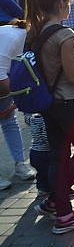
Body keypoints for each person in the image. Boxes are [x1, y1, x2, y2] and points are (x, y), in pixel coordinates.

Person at [25, 0, 74, 234]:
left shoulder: (37, 31)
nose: (70, 7)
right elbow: (73, 74)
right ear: (60, 4)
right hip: (68, 103)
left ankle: (58, 205)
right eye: (68, 3)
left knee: (59, 154)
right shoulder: (64, 35)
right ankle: (62, 209)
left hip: (48, 103)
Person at [0, 20, 37, 190]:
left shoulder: (24, 38)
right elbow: (2, 78)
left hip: (4, 76)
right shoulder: (15, 39)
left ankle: (20, 163)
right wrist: (19, 98)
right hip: (1, 77)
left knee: (9, 121)